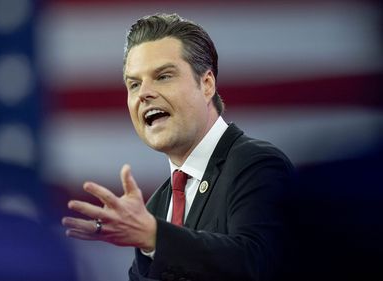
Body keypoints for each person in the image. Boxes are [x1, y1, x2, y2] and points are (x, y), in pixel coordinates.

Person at [62, 13, 295, 281]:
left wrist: (154, 236)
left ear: (206, 85)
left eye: (163, 76)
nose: (144, 93)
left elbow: (257, 262)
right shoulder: (155, 208)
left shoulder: (257, 165)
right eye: (134, 84)